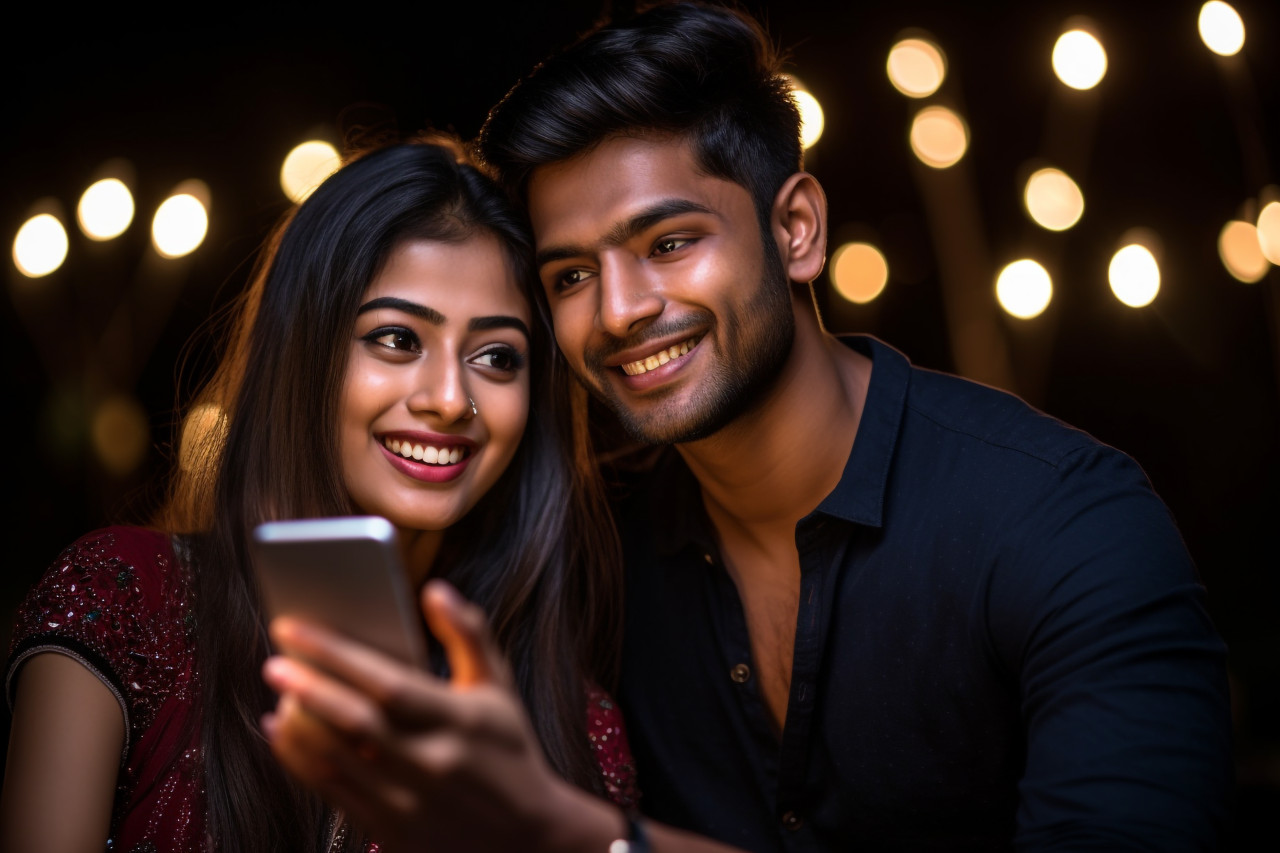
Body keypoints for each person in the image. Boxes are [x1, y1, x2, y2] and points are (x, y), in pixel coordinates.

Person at [261, 2, 1235, 850]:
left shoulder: (1061, 525)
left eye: (668, 242)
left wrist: (574, 836)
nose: (619, 310)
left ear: (797, 228)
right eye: (569, 275)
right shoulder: (590, 552)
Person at [1, 138, 636, 853]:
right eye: (397, 338)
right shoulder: (125, 595)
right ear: (306, 354)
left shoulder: (574, 724)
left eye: (496, 356)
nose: (452, 400)